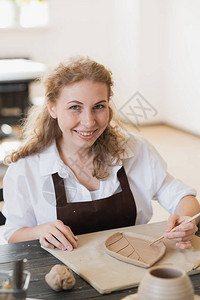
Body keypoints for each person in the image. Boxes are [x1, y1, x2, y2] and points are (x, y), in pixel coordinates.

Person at [2, 56, 200, 251]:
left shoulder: (135, 149)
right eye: (75, 107)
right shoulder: (26, 167)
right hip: (58, 272)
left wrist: (185, 220)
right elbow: (13, 234)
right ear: (52, 108)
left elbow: (182, 198)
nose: (89, 122)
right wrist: (39, 231)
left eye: (98, 107)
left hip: (133, 267)